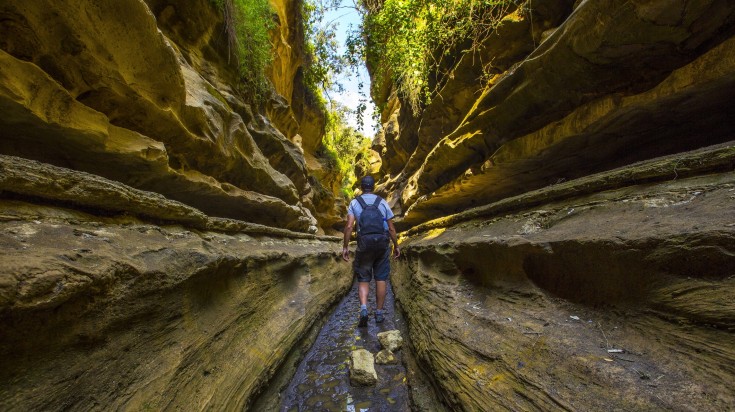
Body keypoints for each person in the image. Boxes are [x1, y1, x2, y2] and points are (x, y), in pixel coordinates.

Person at [342, 175, 400, 327]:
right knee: (381, 278)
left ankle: (363, 309)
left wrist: (345, 247)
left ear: (361, 187)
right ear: (373, 187)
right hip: (382, 244)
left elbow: (349, 227)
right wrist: (396, 246)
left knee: (363, 278)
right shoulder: (382, 202)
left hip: (364, 245)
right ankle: (379, 313)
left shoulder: (354, 202)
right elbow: (392, 228)